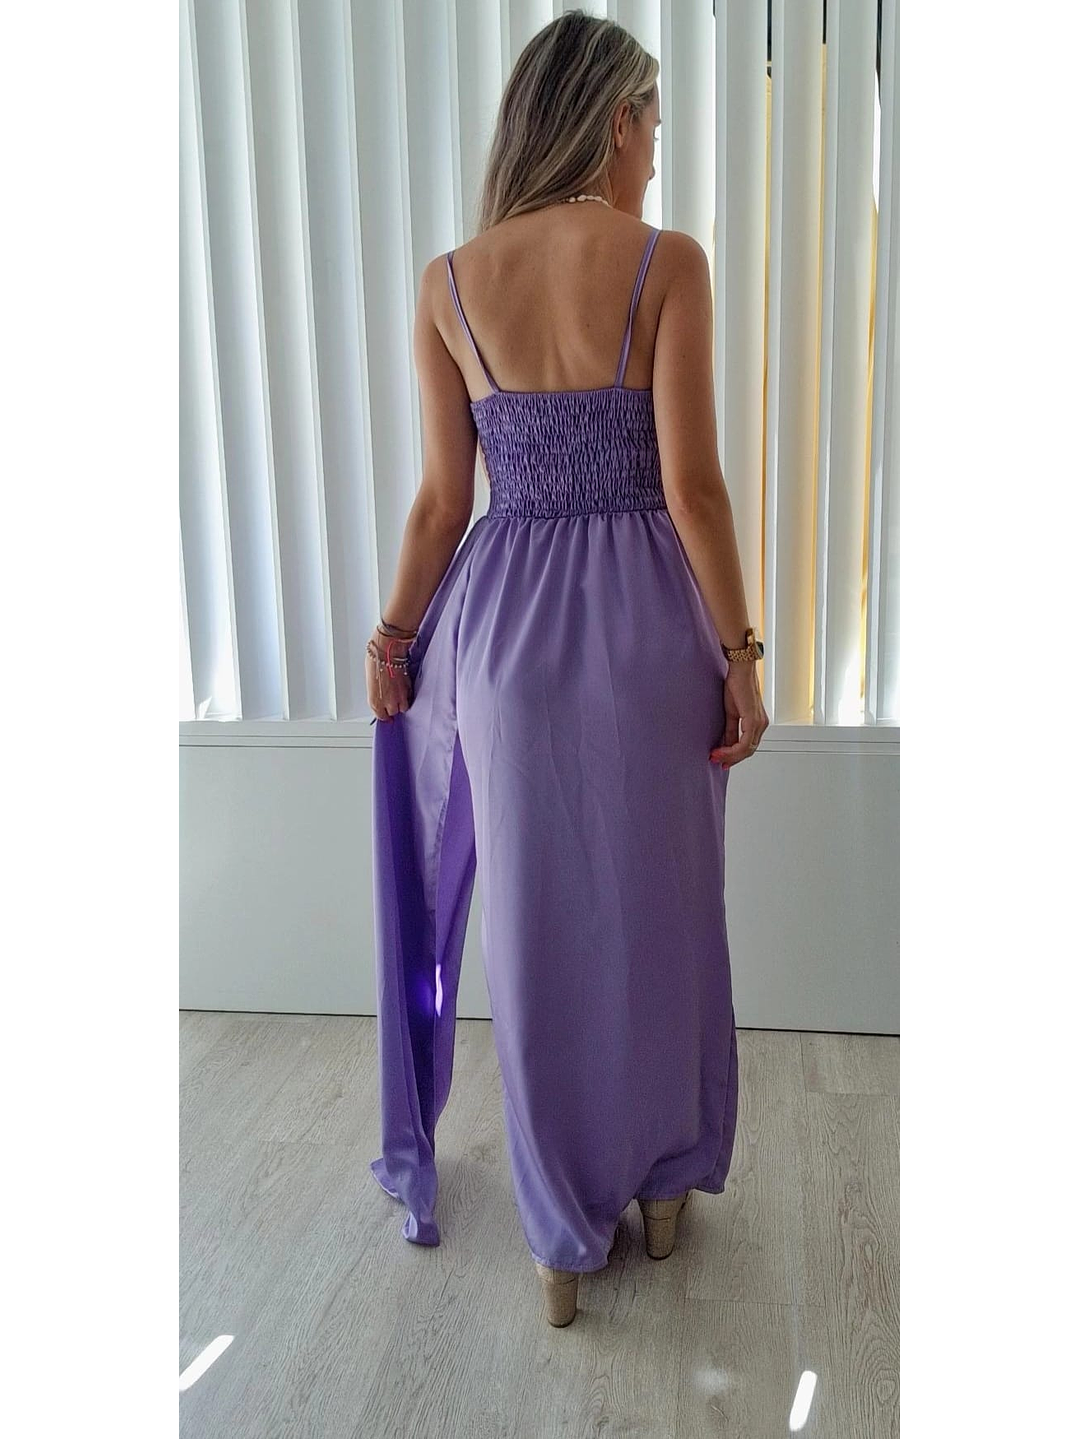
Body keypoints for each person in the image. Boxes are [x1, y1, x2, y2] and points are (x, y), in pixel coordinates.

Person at [366, 10, 768, 1329]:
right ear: (612, 121)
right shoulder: (667, 263)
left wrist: (391, 639)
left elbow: (442, 503)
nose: (656, 153)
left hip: (508, 643)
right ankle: (661, 1189)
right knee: (663, 913)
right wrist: (742, 653)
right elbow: (694, 488)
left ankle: (556, 1237)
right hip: (651, 626)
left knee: (536, 935)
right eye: (652, 125)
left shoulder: (449, 282)